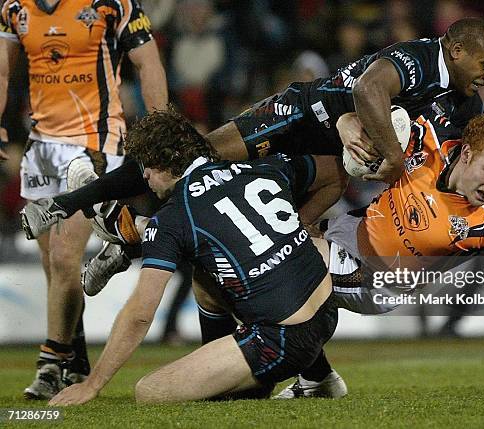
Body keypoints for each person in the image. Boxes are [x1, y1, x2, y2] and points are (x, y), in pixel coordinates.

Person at [20, 16, 484, 241]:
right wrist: (394, 158)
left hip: (332, 153)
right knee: (195, 159)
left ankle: (133, 237)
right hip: (304, 111)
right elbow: (367, 93)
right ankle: (63, 205)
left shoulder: (465, 99)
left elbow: (457, 149)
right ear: (456, 51)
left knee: (294, 221)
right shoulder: (418, 59)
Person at [278, 112, 484, 397]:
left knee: (280, 266)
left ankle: (310, 372)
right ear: (466, 154)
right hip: (346, 228)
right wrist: (349, 124)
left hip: (376, 280)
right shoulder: (428, 134)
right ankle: (311, 372)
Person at [49, 107, 341, 406]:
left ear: (164, 162)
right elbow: (335, 170)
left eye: (146, 165)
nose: (145, 176)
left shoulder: (173, 218)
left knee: (150, 391)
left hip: (282, 340)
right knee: (203, 276)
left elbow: (140, 312)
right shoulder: (261, 168)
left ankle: (129, 226)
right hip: (327, 312)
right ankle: (309, 375)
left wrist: (92, 385)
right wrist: (302, 222)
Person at [0, 0, 168, 400]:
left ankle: (50, 363)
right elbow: (3, 69)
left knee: (62, 256)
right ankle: (75, 360)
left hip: (96, 138)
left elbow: (149, 63)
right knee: (52, 264)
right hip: (41, 146)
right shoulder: (13, 7)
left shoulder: (112, 4)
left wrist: (161, 132)